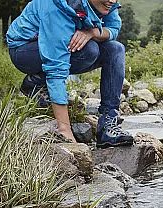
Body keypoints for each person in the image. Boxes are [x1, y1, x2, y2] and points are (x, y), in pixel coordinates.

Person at [7, 0, 133, 148]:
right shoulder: (57, 8)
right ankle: (35, 82)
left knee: (115, 49)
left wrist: (92, 32)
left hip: (63, 40)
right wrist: (65, 129)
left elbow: (113, 28)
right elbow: (56, 67)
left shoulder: (106, 3)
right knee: (89, 51)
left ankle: (108, 125)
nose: (112, 0)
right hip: (24, 49)